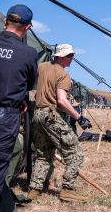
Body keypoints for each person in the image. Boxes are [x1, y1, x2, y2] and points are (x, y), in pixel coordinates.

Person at [0, 4, 38, 211]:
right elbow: (27, 85)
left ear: (5, 21)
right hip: (4, 119)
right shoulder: (29, 53)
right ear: (28, 28)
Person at [27, 44, 92, 202]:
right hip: (52, 116)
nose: (72, 59)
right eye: (69, 56)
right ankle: (67, 190)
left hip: (37, 115)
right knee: (76, 154)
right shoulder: (63, 75)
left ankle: (34, 190)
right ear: (60, 56)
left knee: (43, 154)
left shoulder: (41, 67)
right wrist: (79, 118)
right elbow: (62, 101)